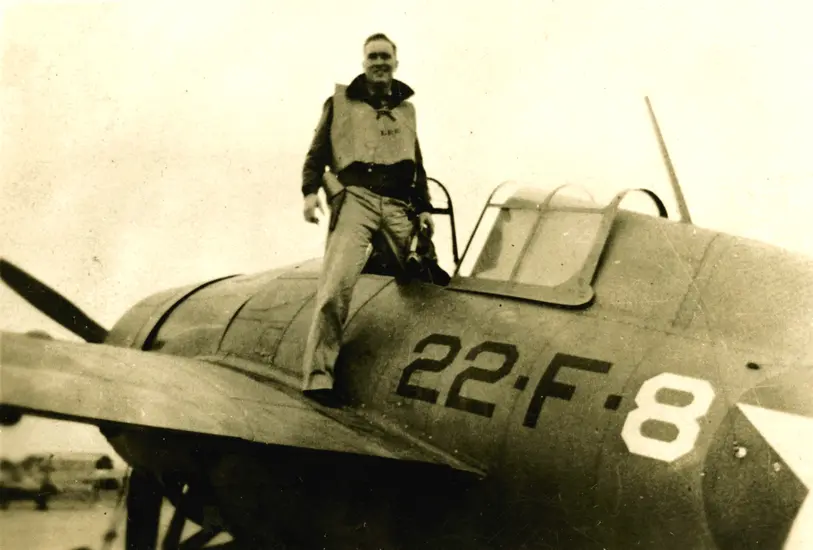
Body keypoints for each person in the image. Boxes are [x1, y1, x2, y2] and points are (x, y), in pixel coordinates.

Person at [300, 32, 434, 398]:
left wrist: (423, 206)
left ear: (395, 63)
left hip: (395, 205)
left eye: (385, 57)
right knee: (335, 288)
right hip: (356, 200)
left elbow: (415, 162)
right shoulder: (339, 103)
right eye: (372, 57)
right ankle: (318, 377)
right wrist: (310, 192)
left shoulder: (406, 109)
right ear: (363, 63)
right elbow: (317, 152)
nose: (379, 63)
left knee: (420, 278)